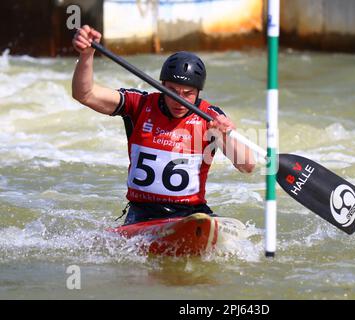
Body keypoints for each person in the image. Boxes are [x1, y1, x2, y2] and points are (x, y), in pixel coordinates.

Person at [71, 25, 256, 225]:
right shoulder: (139, 105)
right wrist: (87, 55)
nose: (179, 100)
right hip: (143, 213)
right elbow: (85, 94)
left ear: (198, 92)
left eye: (188, 93)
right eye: (172, 91)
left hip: (191, 213)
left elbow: (247, 166)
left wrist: (225, 135)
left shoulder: (209, 117)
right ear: (161, 86)